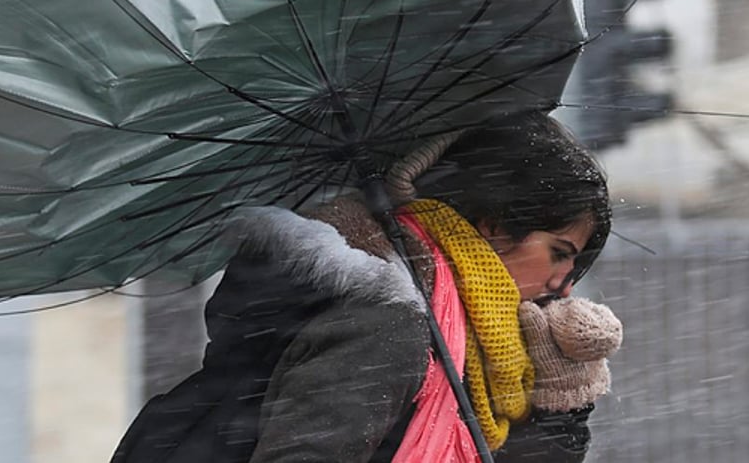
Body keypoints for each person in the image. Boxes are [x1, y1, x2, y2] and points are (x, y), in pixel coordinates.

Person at [110, 110, 614, 463]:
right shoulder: (393, 321)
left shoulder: (474, 343)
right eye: (560, 254)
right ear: (495, 224)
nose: (562, 286)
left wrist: (559, 401)